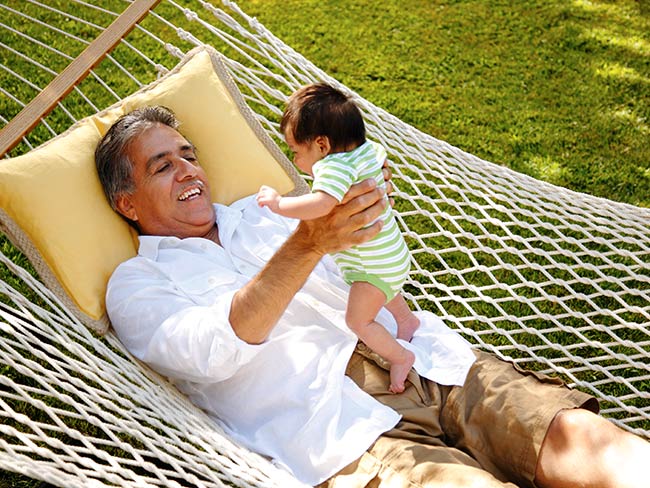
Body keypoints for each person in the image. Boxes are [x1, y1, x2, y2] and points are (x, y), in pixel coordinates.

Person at [96, 105, 649, 488]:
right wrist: (307, 245)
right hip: (341, 429)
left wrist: (361, 203)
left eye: (189, 155)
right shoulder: (136, 285)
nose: (188, 170)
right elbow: (209, 351)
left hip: (432, 361)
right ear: (127, 202)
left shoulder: (264, 211)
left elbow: (365, 252)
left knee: (582, 438)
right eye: (162, 166)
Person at [257, 83, 418, 393]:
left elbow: (321, 204)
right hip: (391, 255)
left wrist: (279, 204)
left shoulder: (334, 166)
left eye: (296, 152)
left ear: (321, 144)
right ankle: (407, 322)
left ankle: (401, 356)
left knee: (358, 321)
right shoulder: (368, 151)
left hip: (372, 268)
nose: (297, 162)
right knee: (387, 290)